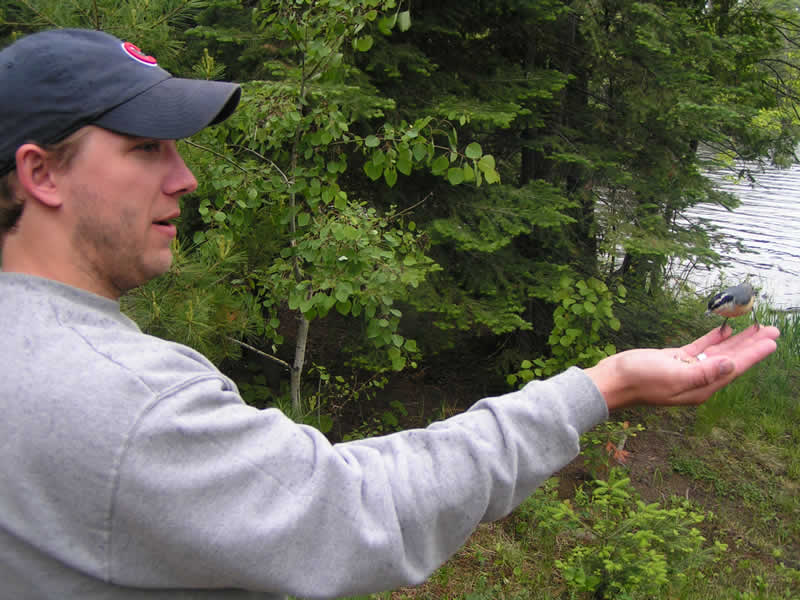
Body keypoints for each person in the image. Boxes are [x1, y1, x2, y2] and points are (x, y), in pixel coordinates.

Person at [0, 29, 779, 600]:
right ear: (43, 173)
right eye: (147, 149)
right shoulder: (127, 401)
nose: (188, 178)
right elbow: (358, 512)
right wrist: (598, 388)